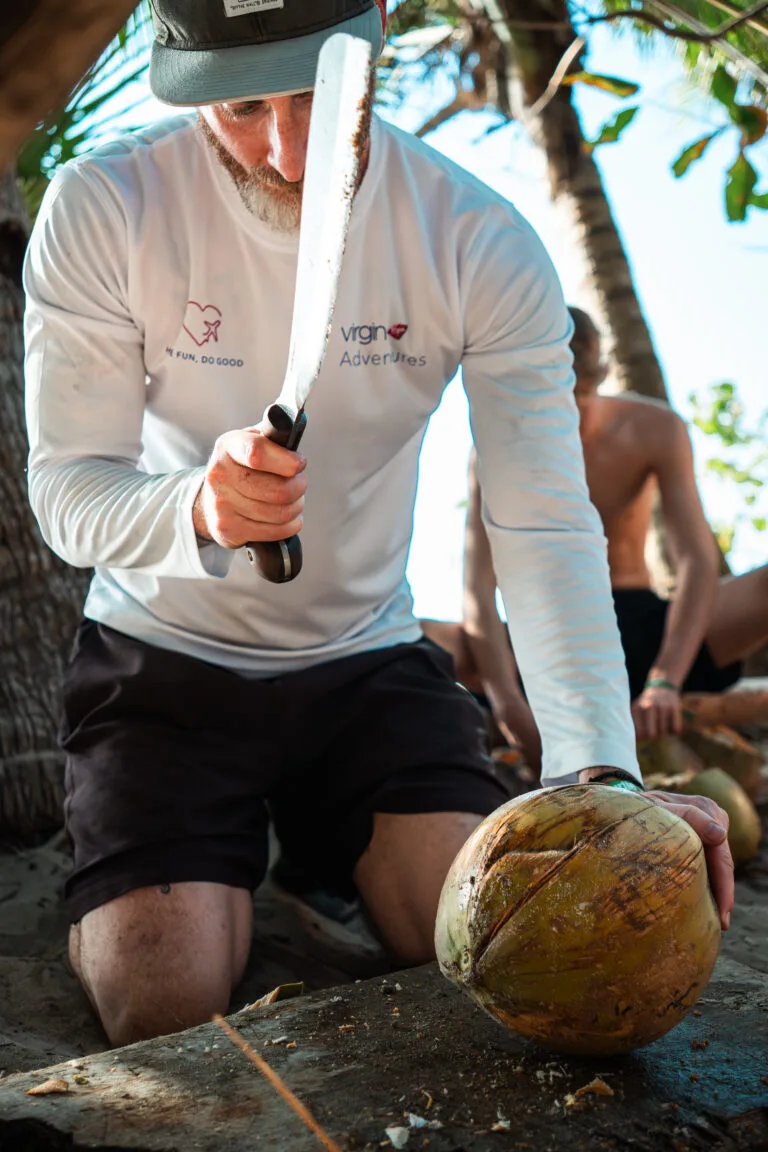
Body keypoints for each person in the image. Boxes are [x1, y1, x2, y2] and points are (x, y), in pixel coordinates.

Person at [23, 1, 733, 1048]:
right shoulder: (106, 204)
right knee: (166, 1007)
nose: (289, 153)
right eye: (246, 103)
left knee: (495, 943)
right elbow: (69, 492)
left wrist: (602, 777)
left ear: (383, 30)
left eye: (317, 92)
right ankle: (180, 862)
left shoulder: (475, 236)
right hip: (162, 661)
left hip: (367, 667)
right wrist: (195, 507)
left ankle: (320, 849)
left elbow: (542, 523)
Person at [457, 304, 768, 760]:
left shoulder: (654, 428)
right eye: (551, 406)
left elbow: (696, 560)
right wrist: (508, 702)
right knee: (416, 640)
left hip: (647, 628)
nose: (567, 420)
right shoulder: (496, 449)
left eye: (578, 400)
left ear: (598, 378)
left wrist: (666, 677)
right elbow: (477, 591)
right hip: (545, 643)